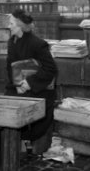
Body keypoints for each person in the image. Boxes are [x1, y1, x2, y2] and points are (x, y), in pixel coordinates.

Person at [5, 8, 58, 154]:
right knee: (6, 104)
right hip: (18, 87)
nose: (9, 26)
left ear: (20, 26)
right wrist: (17, 85)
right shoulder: (12, 42)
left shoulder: (38, 44)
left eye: (11, 24)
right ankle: (14, 142)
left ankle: (27, 142)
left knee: (29, 108)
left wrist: (29, 83)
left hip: (39, 89)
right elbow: (9, 68)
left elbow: (50, 69)